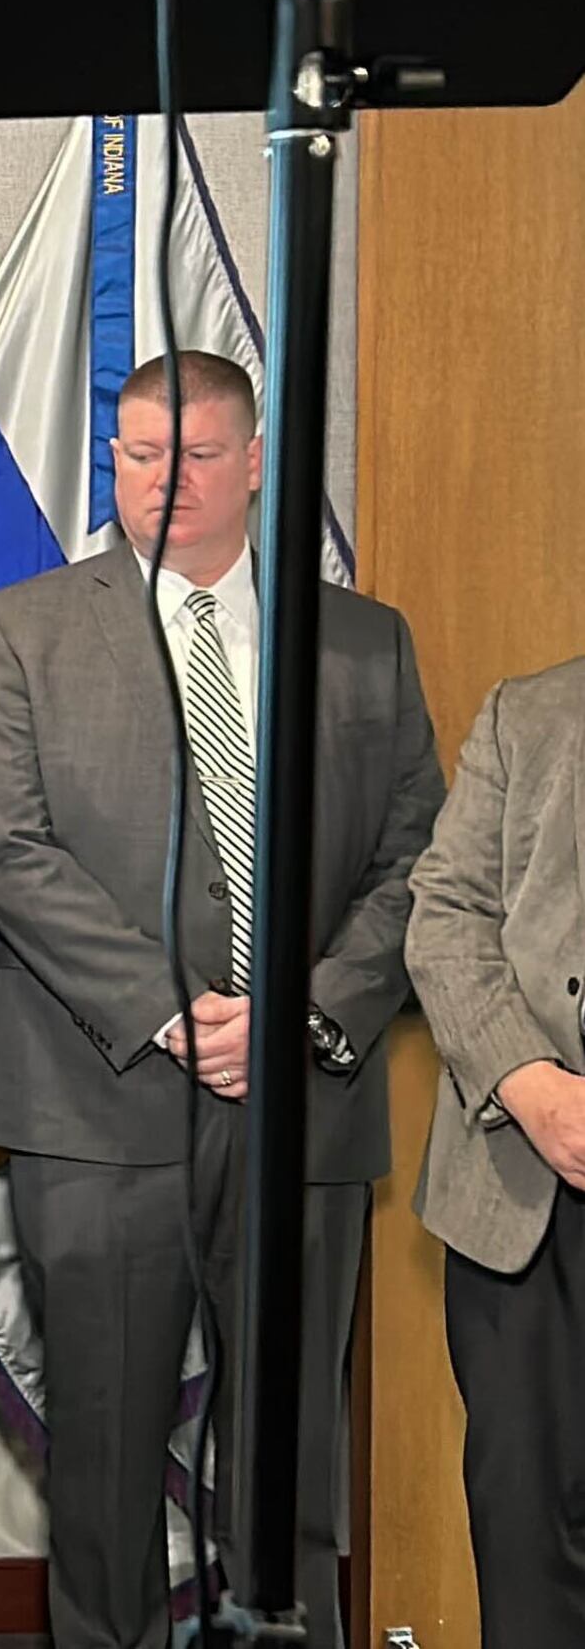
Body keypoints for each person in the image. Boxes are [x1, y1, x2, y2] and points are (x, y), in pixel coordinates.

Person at [0, 352, 441, 1649]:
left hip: (304, 1102)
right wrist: (176, 1007)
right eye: (133, 454)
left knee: (288, 1461)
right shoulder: (22, 628)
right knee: (103, 1466)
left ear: (255, 461)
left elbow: (416, 860)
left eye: (192, 454)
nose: (158, 480)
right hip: (98, 1093)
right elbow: (10, 853)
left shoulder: (359, 639)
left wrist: (294, 1011)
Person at [405, 653, 585, 1642]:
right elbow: (443, 918)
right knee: (524, 1546)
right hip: (521, 1201)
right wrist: (531, 1088)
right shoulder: (527, 714)